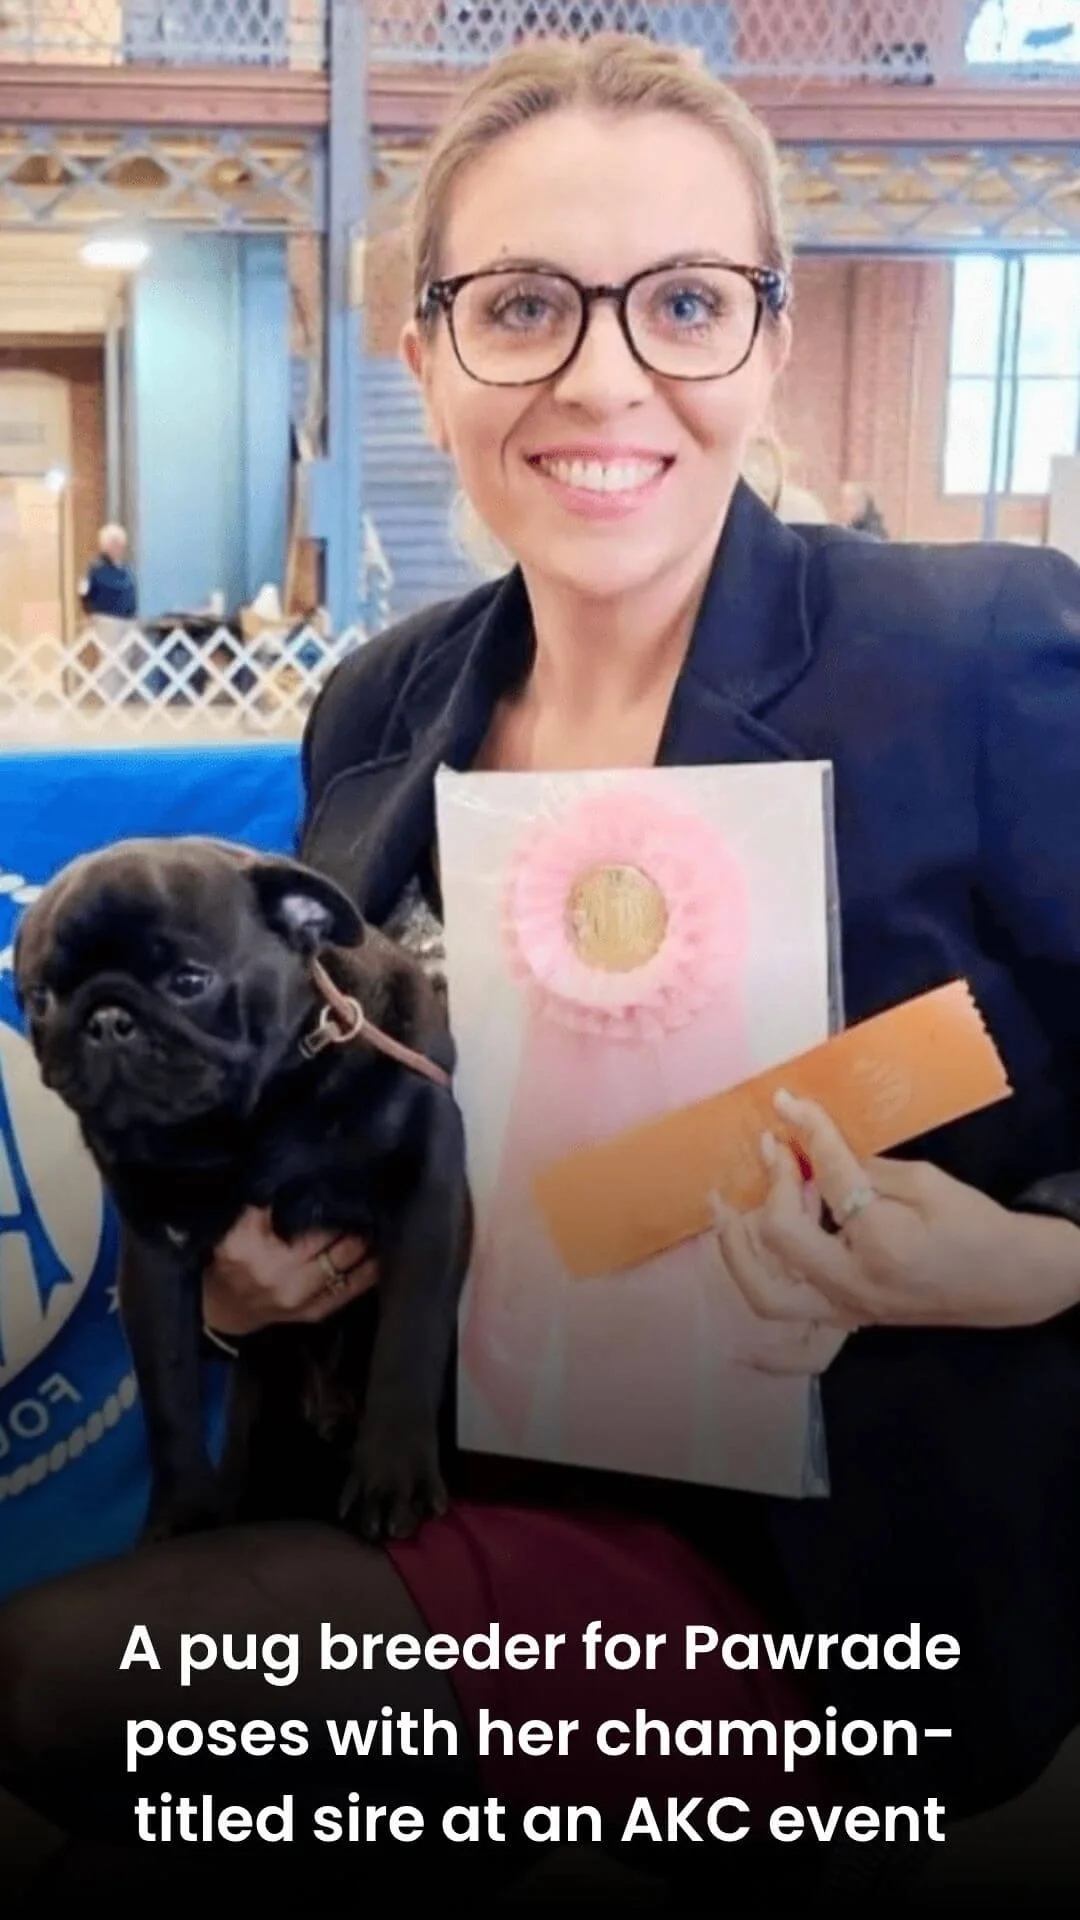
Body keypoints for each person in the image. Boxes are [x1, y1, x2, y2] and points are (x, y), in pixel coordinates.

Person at [4, 29, 1080, 1906]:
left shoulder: (987, 654)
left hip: (818, 1584)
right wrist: (252, 1286)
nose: (604, 375)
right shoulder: (382, 703)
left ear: (768, 336)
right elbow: (306, 1092)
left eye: (681, 301)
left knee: (98, 1700)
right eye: (520, 306)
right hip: (419, 1466)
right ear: (424, 358)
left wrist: (1020, 1264)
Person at [78, 522, 139, 702]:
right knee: (110, 662)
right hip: (106, 619)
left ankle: (122, 699)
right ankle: (109, 700)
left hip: (128, 620)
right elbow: (83, 591)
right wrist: (87, 612)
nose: (119, 546)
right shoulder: (95, 568)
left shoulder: (126, 568)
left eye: (121, 543)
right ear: (105, 545)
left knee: (125, 661)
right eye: (114, 542)